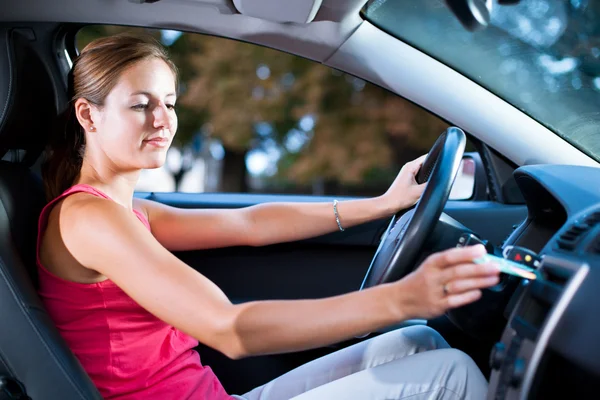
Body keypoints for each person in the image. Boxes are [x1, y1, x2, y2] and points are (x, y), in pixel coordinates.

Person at [37, 33, 500, 400]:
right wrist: (401, 299)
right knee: (452, 374)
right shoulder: (88, 218)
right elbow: (229, 329)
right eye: (141, 105)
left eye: (170, 103)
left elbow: (250, 224)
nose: (163, 120)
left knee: (417, 343)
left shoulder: (126, 211)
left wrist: (381, 204)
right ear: (89, 116)